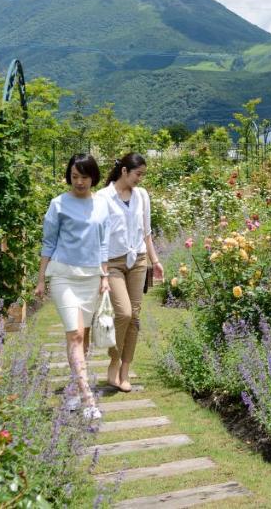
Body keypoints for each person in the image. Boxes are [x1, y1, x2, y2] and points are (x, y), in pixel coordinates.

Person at [35, 153, 110, 418]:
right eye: (74, 176)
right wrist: (41, 278)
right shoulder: (58, 204)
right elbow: (48, 243)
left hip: (91, 276)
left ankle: (74, 390)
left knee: (84, 338)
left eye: (84, 177)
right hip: (63, 276)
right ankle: (89, 399)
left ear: (93, 177)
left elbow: (103, 244)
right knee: (75, 334)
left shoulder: (101, 205)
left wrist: (104, 276)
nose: (79, 182)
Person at [97, 153, 164, 392]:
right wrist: (102, 273)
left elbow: (146, 232)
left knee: (135, 317)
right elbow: (98, 236)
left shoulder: (142, 196)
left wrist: (155, 261)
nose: (140, 179)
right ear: (124, 171)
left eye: (142, 175)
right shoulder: (103, 197)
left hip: (138, 261)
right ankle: (114, 359)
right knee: (123, 313)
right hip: (112, 262)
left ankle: (125, 370)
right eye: (138, 174)